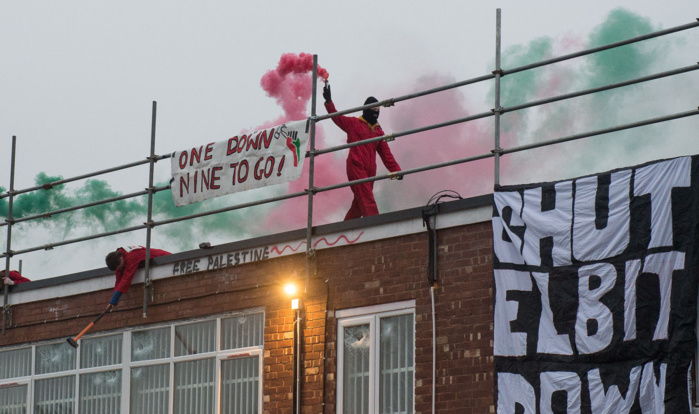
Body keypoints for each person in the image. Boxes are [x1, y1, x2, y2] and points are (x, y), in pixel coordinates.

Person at [322, 83, 402, 220]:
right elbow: (337, 117)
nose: (376, 112)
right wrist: (329, 102)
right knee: (367, 200)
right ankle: (376, 227)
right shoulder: (354, 123)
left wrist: (396, 170)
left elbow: (386, 154)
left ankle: (344, 230)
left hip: (370, 171)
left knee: (359, 203)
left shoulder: (378, 131)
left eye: (378, 109)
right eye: (373, 109)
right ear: (366, 109)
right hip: (356, 166)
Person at [105, 246, 171, 310]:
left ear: (122, 259)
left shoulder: (131, 257)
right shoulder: (118, 257)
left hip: (164, 257)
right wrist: (112, 301)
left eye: (120, 267)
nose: (121, 269)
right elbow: (118, 279)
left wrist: (115, 299)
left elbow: (126, 279)